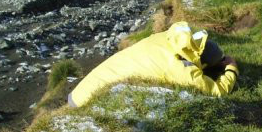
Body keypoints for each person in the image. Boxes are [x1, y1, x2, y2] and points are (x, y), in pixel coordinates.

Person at [68, 21, 238, 107]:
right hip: (82, 102)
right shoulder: (178, 66)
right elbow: (217, 92)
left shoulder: (168, 37)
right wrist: (231, 68)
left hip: (83, 86)